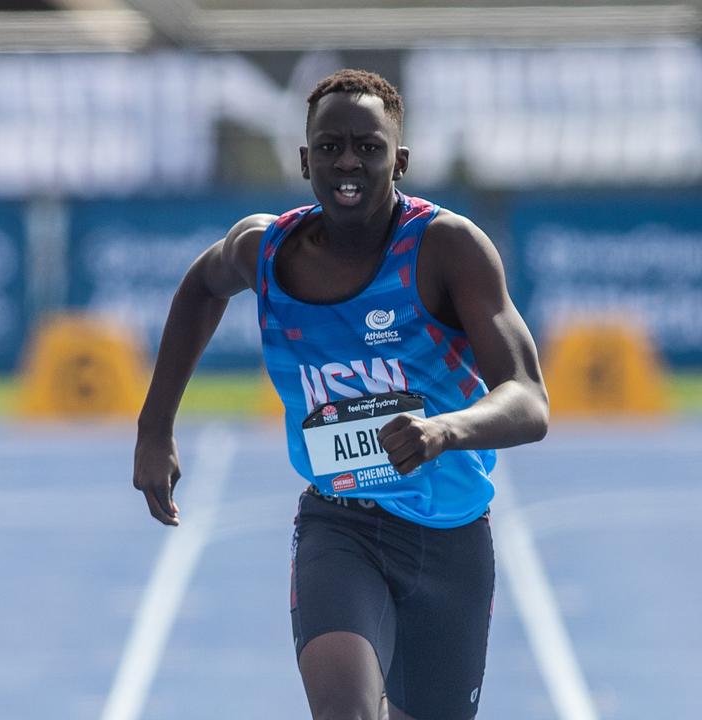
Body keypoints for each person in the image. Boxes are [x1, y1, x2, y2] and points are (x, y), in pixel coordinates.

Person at [132, 69, 548, 720]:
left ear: (399, 160)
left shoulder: (448, 249)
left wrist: (447, 431)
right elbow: (199, 289)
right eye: (329, 147)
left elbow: (528, 397)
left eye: (368, 147)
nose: (347, 162)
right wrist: (154, 429)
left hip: (451, 537)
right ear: (304, 160)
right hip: (340, 523)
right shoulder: (264, 250)